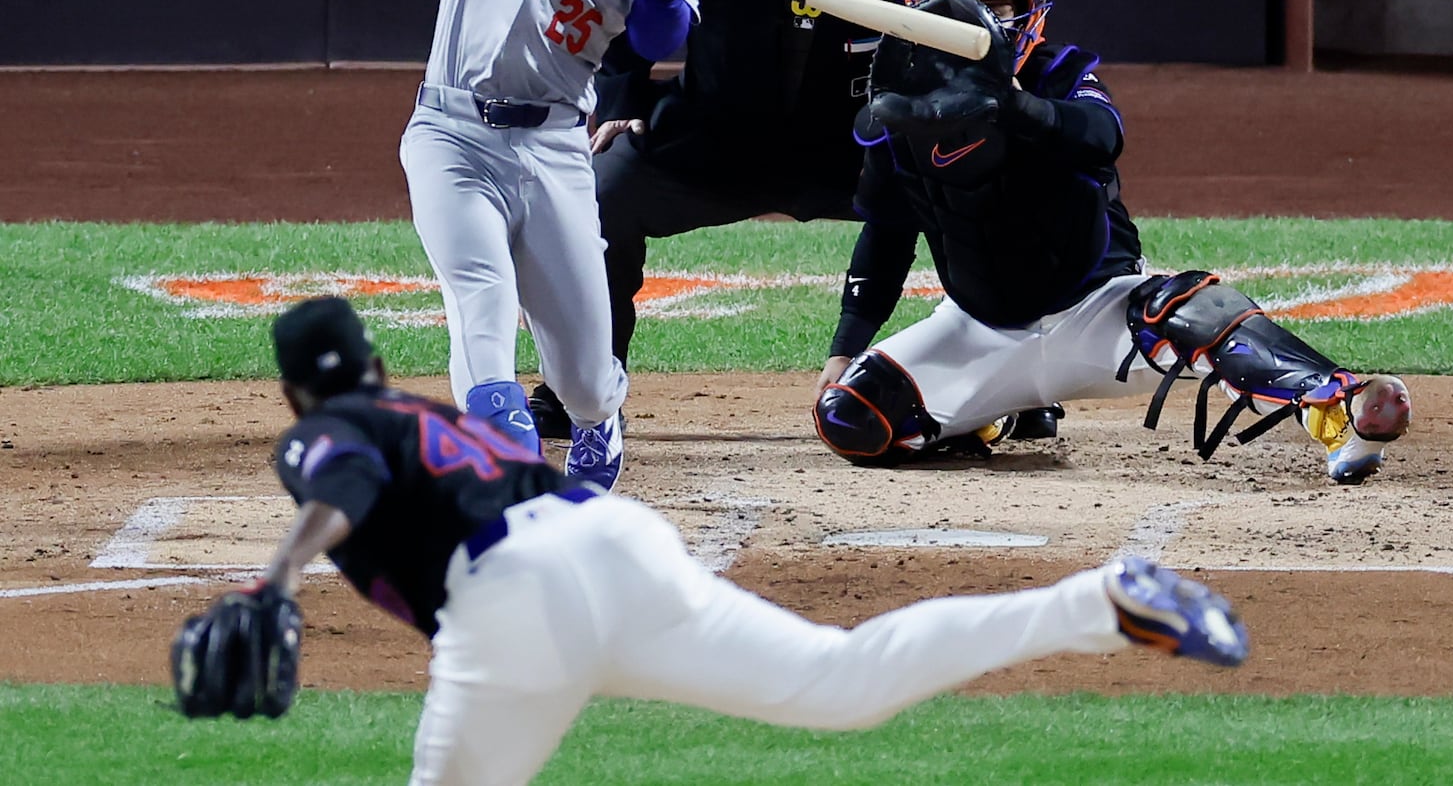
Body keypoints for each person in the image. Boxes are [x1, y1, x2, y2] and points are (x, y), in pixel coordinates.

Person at [171, 295, 1249, 785]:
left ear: (295, 387)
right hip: (614, 542)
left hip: (510, 598)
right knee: (837, 681)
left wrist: (274, 578)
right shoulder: (423, 411)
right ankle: (1095, 601)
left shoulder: (328, 431)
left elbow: (344, 480)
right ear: (366, 358)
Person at [813, 0, 1413, 484]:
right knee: (850, 417)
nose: (985, 21)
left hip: (1100, 313)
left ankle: (1340, 407)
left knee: (1187, 302)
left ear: (1031, 12)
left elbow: (1101, 136)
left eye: (1000, 6)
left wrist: (1010, 106)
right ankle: (1000, 412)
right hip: (978, 328)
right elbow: (887, 233)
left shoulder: (1058, 74)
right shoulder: (897, 117)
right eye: (965, 8)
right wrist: (845, 348)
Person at [525, 0, 949, 436]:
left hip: (851, 159)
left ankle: (1013, 386)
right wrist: (624, 103)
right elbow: (633, 5)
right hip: (712, 143)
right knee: (605, 195)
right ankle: (580, 387)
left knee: (967, 193)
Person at [400, 0, 704, 491]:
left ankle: (603, 418)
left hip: (553, 149)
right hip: (449, 134)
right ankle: (505, 454)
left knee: (586, 380)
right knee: (481, 295)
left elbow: (661, 42)